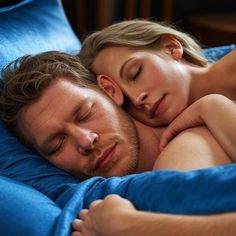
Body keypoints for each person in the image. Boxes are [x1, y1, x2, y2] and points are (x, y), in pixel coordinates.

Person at [0, 51, 235, 236]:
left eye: (85, 114)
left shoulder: (187, 150)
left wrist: (128, 227)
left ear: (111, 91)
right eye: (57, 144)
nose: (86, 140)